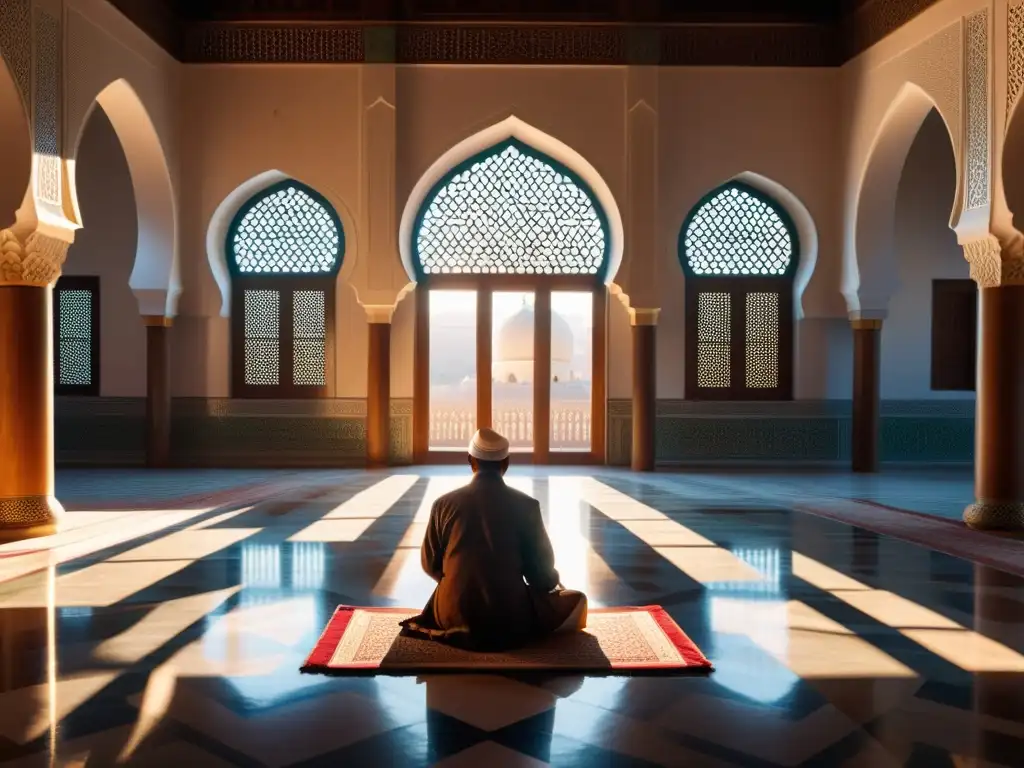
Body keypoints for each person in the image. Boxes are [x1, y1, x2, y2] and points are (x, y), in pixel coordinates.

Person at [400, 428, 588, 651]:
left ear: (470, 460)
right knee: (578, 600)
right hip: (510, 619)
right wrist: (551, 584)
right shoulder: (527, 506)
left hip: (450, 615)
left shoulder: (443, 504)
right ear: (506, 463)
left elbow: (430, 564)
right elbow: (541, 576)